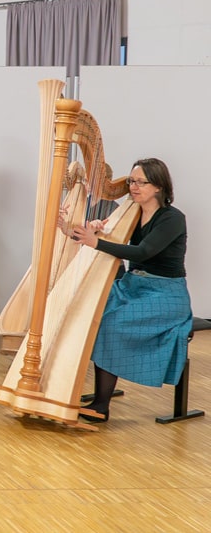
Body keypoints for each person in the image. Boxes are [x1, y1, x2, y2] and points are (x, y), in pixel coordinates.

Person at [71, 158, 190, 423]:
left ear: (158, 186)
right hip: (133, 286)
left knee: (110, 323)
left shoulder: (172, 219)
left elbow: (143, 252)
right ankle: (80, 390)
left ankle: (101, 406)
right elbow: (108, 240)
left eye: (140, 182)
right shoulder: (131, 213)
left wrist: (97, 243)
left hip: (165, 293)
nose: (133, 187)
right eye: (131, 181)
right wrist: (94, 231)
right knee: (90, 311)